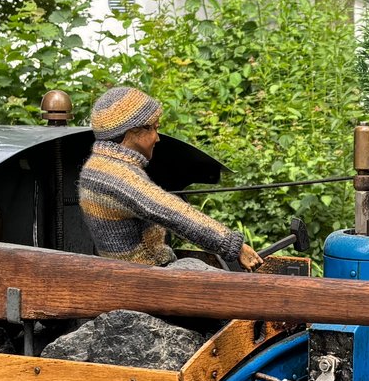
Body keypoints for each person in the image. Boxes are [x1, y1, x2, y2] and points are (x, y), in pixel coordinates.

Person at [78, 85, 264, 269]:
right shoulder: (116, 176)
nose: (157, 138)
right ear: (132, 132)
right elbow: (173, 213)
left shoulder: (96, 168)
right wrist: (234, 245)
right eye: (154, 129)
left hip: (127, 272)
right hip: (147, 277)